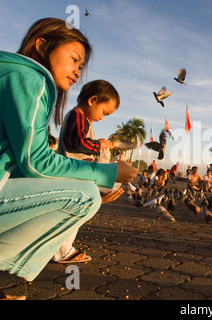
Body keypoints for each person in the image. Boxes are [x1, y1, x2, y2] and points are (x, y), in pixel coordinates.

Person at [0, 18, 138, 298]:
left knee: (87, 193)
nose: (77, 71)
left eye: (80, 66)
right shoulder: (32, 78)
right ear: (42, 46)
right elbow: (36, 163)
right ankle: (8, 267)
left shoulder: (14, 75)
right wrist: (108, 174)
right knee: (85, 196)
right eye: (74, 60)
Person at [54, 79, 123, 264]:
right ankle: (62, 251)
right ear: (92, 100)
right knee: (74, 212)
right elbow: (76, 143)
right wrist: (97, 145)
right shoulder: (77, 117)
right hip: (72, 173)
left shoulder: (82, 119)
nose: (102, 118)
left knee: (78, 211)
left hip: (77, 174)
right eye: (103, 112)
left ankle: (63, 249)